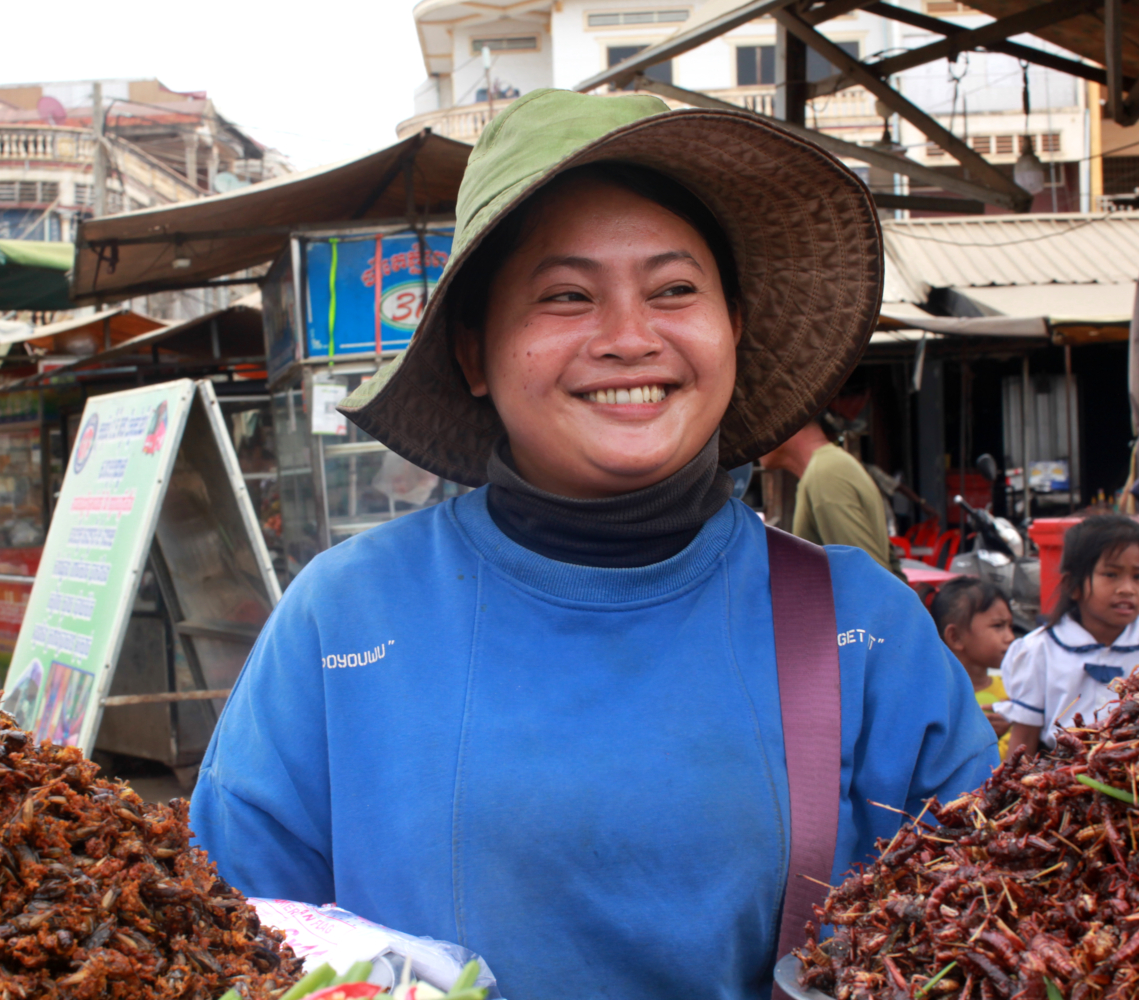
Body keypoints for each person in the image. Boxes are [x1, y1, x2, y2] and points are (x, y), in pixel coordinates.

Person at [189, 89, 998, 1000]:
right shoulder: (343, 620)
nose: (627, 338)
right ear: (472, 353)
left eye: (675, 290)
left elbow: (995, 931)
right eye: (566, 296)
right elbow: (222, 943)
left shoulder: (863, 627)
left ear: (731, 324)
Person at [997, 514, 1139, 756]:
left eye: (1138, 576)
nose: (1127, 589)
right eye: (1111, 574)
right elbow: (1023, 741)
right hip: (1063, 779)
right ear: (1074, 584)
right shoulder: (1039, 650)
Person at [760, 412, 905, 576]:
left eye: (757, 425)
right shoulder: (827, 467)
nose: (753, 440)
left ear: (783, 422)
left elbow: (866, 578)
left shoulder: (825, 472)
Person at [931, 576, 1014, 755]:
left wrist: (1014, 725)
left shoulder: (1013, 691)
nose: (1010, 637)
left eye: (1010, 626)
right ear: (955, 637)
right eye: (998, 626)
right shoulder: (936, 697)